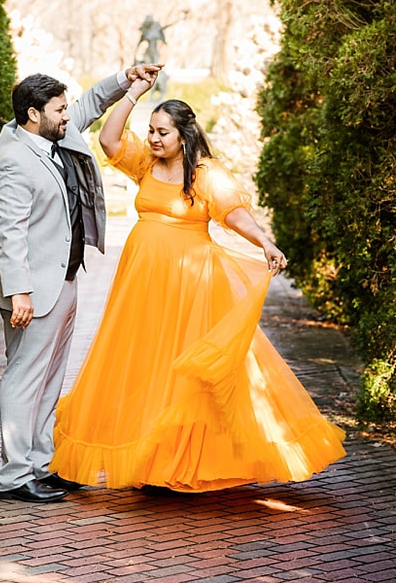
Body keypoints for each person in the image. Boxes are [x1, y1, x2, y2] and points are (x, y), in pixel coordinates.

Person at [49, 82, 346, 491]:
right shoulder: (145, 165)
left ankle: (170, 463)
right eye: (151, 130)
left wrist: (265, 242)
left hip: (189, 286)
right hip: (141, 285)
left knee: (181, 370)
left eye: (162, 132)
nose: (153, 138)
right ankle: (146, 458)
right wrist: (132, 95)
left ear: (184, 135)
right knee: (140, 364)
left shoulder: (204, 173)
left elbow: (234, 214)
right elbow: (109, 138)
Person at [0, 63, 161, 504]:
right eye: (59, 110)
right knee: (24, 376)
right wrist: (19, 292)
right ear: (33, 113)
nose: (68, 116)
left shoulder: (52, 132)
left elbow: (88, 104)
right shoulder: (12, 159)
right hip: (32, 289)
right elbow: (9, 230)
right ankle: (13, 477)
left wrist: (126, 79)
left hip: (65, 276)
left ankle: (41, 465)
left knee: (49, 377)